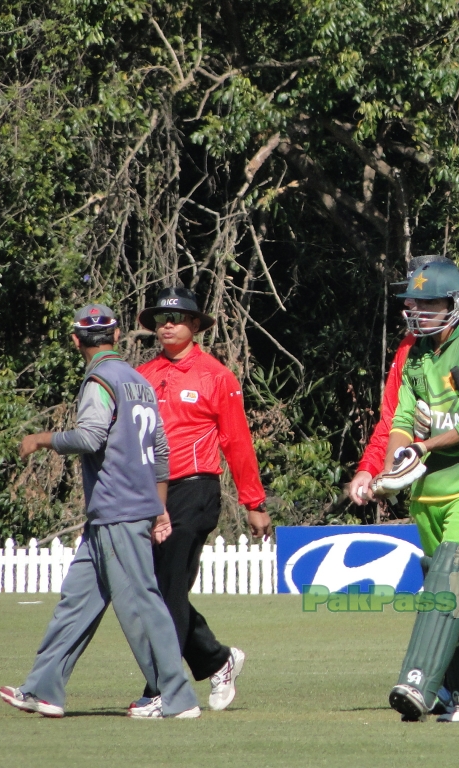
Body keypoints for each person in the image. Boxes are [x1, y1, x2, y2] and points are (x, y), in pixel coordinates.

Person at [0, 304, 200, 719]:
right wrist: (159, 507)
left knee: (142, 602)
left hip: (117, 507)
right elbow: (161, 451)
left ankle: (175, 696)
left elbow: (89, 437)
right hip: (127, 507)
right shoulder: (139, 381)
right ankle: (44, 689)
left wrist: (40, 438)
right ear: (118, 334)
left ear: (76, 341)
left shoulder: (100, 379)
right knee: (76, 601)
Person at [132, 286, 271, 714]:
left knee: (169, 587)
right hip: (146, 493)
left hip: (196, 490)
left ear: (195, 326)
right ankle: (217, 659)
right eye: (160, 318)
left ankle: (162, 690)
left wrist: (254, 502)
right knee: (152, 589)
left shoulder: (216, 376)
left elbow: (237, 441)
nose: (167, 324)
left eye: (176, 318)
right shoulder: (142, 375)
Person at [375, 261, 459, 723]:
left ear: (454, 305)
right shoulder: (415, 355)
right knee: (452, 595)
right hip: (427, 494)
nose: (418, 311)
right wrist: (393, 467)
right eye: (416, 303)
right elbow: (402, 421)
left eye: (429, 304)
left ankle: (418, 683)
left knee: (448, 579)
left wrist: (426, 445)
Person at [347, 254, 459, 507]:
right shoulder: (410, 346)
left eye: (424, 298)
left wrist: (444, 416)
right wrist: (373, 468)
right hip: (430, 485)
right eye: (411, 295)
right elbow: (393, 417)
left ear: (450, 299)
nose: (411, 303)